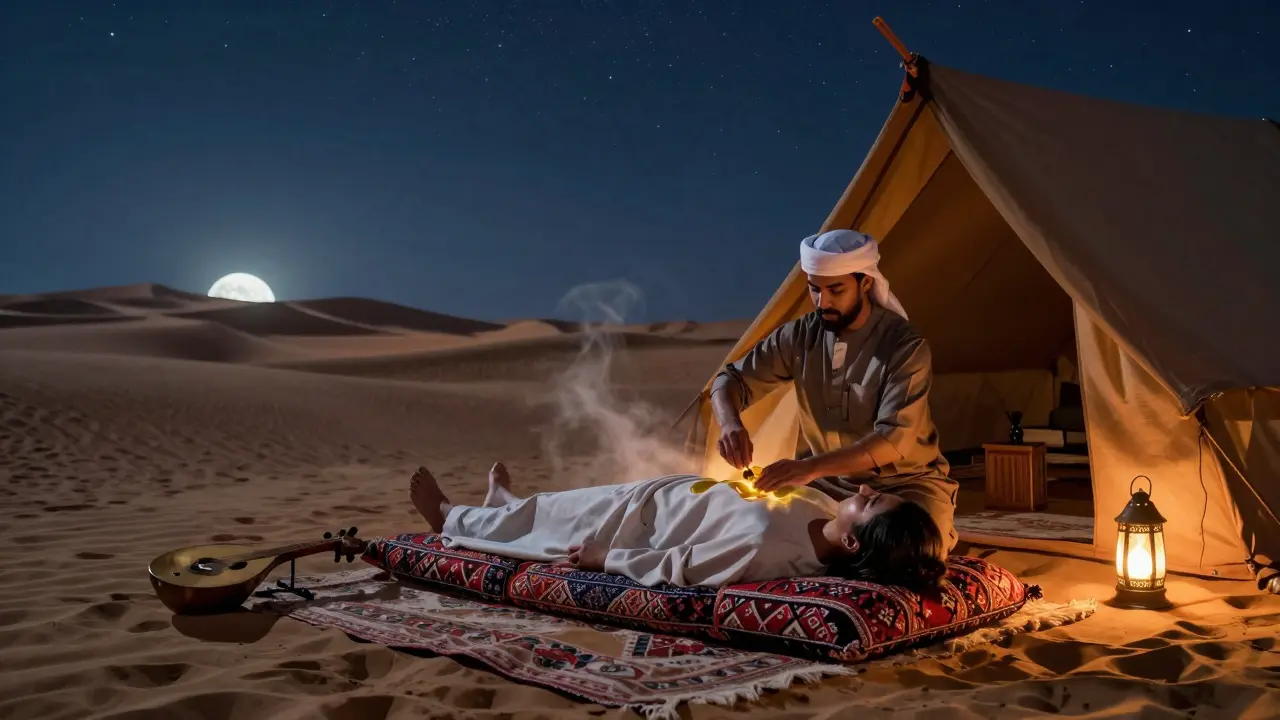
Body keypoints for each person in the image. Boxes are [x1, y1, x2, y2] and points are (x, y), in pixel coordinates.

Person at [710, 229, 959, 554]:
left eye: (835, 290)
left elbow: (892, 441)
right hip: (825, 485)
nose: (822, 301)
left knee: (911, 550)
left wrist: (810, 467)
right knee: (751, 533)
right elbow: (729, 381)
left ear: (865, 282)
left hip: (903, 486)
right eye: (814, 290)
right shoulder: (798, 336)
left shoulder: (904, 347)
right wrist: (730, 424)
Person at [407, 462, 947, 592]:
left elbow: (679, 567)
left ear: (853, 541)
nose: (866, 490)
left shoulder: (768, 552)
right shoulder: (820, 509)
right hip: (650, 496)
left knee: (543, 523)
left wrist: (606, 560)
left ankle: (448, 515)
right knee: (546, 505)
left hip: (629, 528)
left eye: (871, 503)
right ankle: (503, 502)